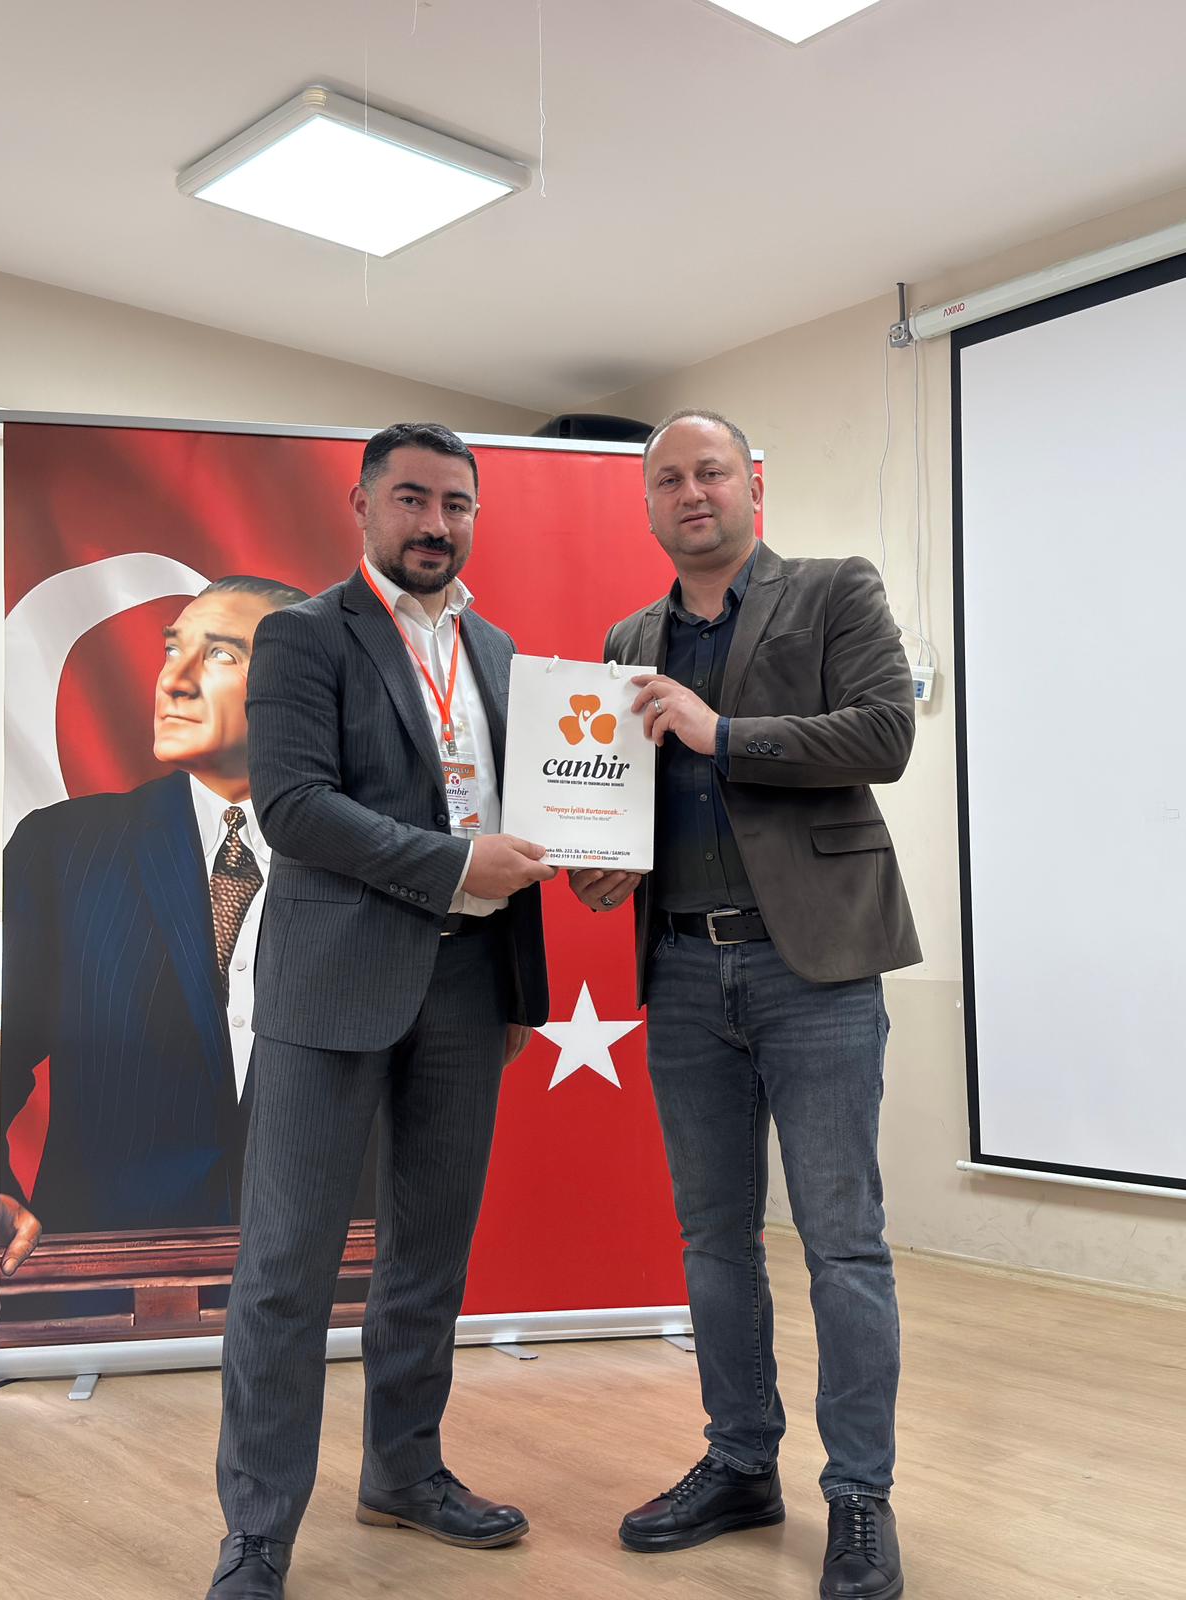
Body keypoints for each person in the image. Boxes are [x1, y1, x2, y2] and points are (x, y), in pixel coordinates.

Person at [571, 409, 920, 1600]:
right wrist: (605, 862)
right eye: (668, 479)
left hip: (812, 966)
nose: (692, 492)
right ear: (649, 506)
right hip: (678, 969)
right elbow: (618, 793)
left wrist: (721, 733)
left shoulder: (832, 590)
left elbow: (885, 732)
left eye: (710, 471)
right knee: (714, 1240)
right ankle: (739, 1461)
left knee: (842, 1241)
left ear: (750, 486)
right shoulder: (627, 639)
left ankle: (859, 1494)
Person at [206, 422, 553, 1599]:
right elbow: (295, 808)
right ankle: (258, 1529)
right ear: (361, 504)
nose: (435, 523)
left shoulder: (499, 650)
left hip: (468, 984)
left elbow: (520, 816)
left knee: (429, 1258)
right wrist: (456, 865)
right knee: (286, 1268)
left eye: (457, 504)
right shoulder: (305, 634)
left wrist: (525, 975)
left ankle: (403, 1471)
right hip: (331, 986)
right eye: (411, 498)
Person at [0, 574, 309, 1278]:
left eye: (223, 654)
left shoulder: (366, 857)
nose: (173, 680)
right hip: (99, 1279)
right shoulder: (63, 850)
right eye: (173, 650)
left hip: (326, 1279)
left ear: (309, 687)